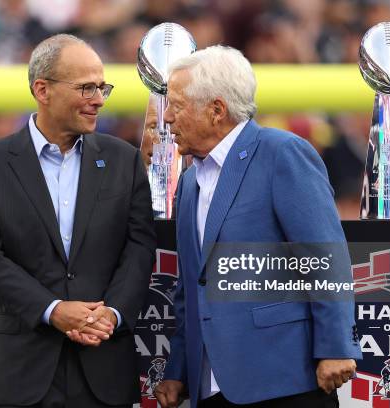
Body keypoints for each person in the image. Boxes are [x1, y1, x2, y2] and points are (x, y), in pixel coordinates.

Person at [153, 45, 362, 408]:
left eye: (177, 104)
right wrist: (178, 369)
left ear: (216, 110)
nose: (167, 117)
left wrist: (336, 347)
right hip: (211, 388)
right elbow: (191, 286)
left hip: (285, 381)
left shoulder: (281, 152)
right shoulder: (189, 181)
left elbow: (324, 256)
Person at [0, 34, 156, 408]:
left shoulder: (123, 161)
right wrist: (53, 311)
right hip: (22, 373)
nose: (98, 99)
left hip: (105, 365)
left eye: (102, 87)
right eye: (86, 88)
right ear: (42, 90)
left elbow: (139, 247)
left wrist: (111, 315)